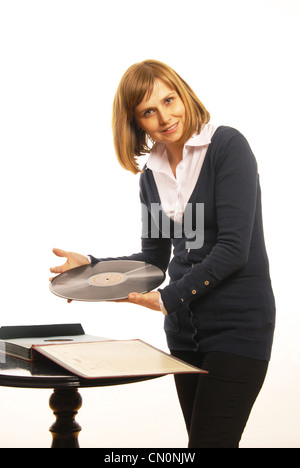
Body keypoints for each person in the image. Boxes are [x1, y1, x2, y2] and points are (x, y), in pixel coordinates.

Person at [50, 60, 276, 448]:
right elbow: (153, 260)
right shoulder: (151, 175)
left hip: (239, 330)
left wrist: (168, 299)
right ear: (136, 122)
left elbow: (233, 250)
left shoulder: (227, 147)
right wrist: (92, 270)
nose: (165, 117)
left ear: (183, 94)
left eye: (169, 100)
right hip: (185, 336)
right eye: (148, 111)